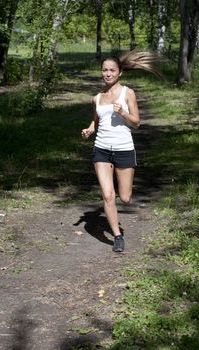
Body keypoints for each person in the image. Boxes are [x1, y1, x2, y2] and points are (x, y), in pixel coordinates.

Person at [81, 50, 163, 253]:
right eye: (104, 70)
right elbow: (97, 120)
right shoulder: (97, 98)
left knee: (125, 198)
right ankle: (117, 236)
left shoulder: (128, 93)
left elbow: (137, 123)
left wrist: (123, 112)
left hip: (124, 149)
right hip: (101, 149)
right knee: (108, 196)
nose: (107, 74)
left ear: (120, 73)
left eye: (111, 70)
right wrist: (90, 129)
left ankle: (120, 200)